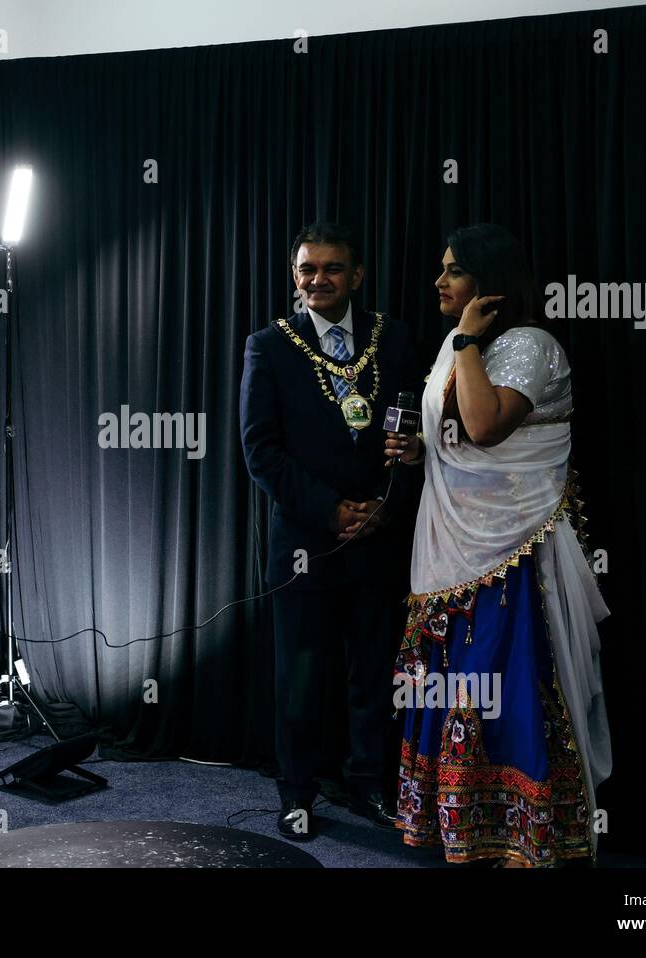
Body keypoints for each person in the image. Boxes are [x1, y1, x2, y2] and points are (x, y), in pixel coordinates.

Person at [383, 223, 611, 867]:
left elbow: (484, 428)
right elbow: (453, 439)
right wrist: (417, 449)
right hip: (451, 545)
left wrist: (466, 343)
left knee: (503, 683)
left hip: (514, 550)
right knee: (452, 682)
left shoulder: (529, 346)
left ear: (489, 283)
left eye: (453, 270)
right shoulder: (460, 348)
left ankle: (523, 833)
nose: (439, 281)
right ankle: (458, 823)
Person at [240, 221, 418, 841]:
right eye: (307, 270)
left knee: (374, 672)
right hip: (304, 547)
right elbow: (260, 451)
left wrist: (383, 504)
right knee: (300, 677)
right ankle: (297, 791)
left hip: (380, 535)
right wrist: (330, 509)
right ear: (295, 276)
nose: (318, 280)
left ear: (357, 275)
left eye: (332, 269)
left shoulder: (391, 337)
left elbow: (410, 429)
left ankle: (370, 784)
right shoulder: (269, 345)